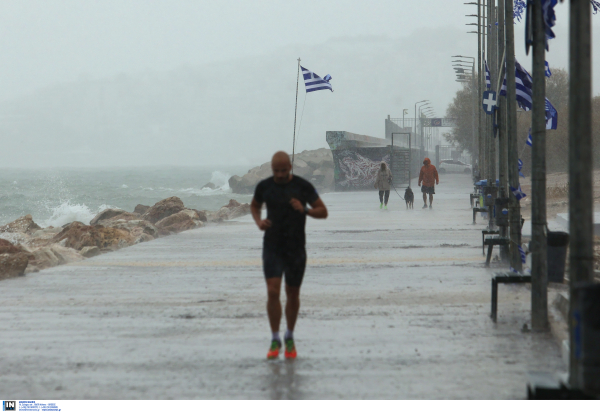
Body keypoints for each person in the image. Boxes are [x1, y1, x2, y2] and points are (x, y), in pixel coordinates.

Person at [251, 151, 328, 360]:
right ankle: (275, 337)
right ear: (272, 169)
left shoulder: (302, 186)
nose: (280, 174)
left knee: (292, 293)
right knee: (273, 291)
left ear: (290, 168)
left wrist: (304, 209)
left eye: (284, 170)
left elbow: (323, 211)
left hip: (295, 248)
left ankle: (290, 336)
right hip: (272, 247)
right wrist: (259, 222)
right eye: (276, 171)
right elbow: (255, 205)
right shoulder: (265, 186)